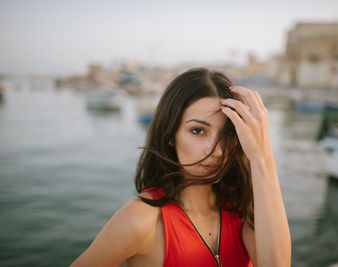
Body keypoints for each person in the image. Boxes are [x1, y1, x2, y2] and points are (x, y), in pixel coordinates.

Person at [70, 68, 291, 267]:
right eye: (197, 131)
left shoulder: (242, 206)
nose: (217, 151)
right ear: (170, 135)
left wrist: (262, 157)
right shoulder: (141, 219)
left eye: (228, 133)